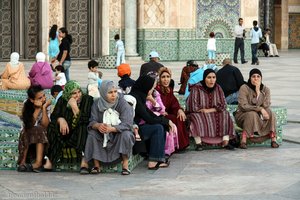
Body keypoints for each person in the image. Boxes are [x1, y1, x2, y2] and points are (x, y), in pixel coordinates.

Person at [80, 80, 135, 175]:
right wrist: (98, 126)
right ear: (103, 93)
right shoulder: (97, 104)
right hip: (102, 134)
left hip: (117, 134)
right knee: (92, 133)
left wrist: (112, 128)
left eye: (115, 92)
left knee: (126, 134)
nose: (113, 95)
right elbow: (92, 121)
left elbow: (127, 124)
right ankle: (96, 165)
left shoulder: (122, 103)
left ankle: (125, 164)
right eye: (110, 92)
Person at [43, 81, 93, 170]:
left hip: (79, 132)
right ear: (68, 94)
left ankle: (84, 161)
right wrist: (60, 120)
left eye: (79, 92)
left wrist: (75, 107)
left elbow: (86, 119)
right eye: (74, 93)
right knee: (52, 126)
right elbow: (54, 116)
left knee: (83, 126)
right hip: (65, 131)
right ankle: (50, 160)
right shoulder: (62, 99)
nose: (78, 95)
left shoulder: (87, 99)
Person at [129, 75, 176, 170]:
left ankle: (158, 158)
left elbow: (149, 113)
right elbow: (148, 118)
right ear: (146, 87)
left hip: (137, 127)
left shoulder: (139, 96)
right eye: (151, 89)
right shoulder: (135, 98)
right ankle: (153, 161)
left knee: (160, 125)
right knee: (157, 128)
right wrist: (166, 122)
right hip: (133, 130)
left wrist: (167, 121)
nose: (152, 91)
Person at [186, 69, 235, 151]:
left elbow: (223, 104)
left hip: (213, 111)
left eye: (213, 77)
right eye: (209, 77)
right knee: (196, 117)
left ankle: (225, 142)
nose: (212, 80)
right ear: (204, 78)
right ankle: (199, 143)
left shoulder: (218, 87)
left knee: (225, 114)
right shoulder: (196, 88)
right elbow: (193, 106)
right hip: (199, 113)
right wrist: (203, 110)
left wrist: (210, 110)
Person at [234, 68, 279, 149]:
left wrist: (258, 92)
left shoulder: (266, 89)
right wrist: (260, 109)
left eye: (258, 76)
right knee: (252, 114)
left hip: (259, 116)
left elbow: (266, 105)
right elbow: (244, 106)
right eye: (253, 76)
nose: (256, 78)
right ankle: (243, 140)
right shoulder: (244, 88)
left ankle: (273, 139)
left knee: (270, 112)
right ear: (250, 78)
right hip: (243, 115)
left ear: (261, 78)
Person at [17, 85, 52, 172]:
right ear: (32, 100)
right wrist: (37, 109)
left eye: (44, 96)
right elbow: (29, 124)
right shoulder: (26, 105)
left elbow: (45, 125)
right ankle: (23, 162)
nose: (43, 99)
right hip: (27, 134)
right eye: (40, 98)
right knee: (29, 130)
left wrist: (43, 108)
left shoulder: (46, 105)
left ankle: (38, 163)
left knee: (39, 129)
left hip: (42, 136)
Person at [156, 67, 189, 150]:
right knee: (173, 119)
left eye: (168, 77)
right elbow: (153, 105)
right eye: (163, 77)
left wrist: (179, 110)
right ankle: (174, 146)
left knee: (180, 117)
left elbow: (174, 103)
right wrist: (161, 112)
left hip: (167, 114)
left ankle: (181, 145)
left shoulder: (169, 90)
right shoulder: (156, 90)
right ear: (159, 78)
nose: (166, 79)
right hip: (158, 115)